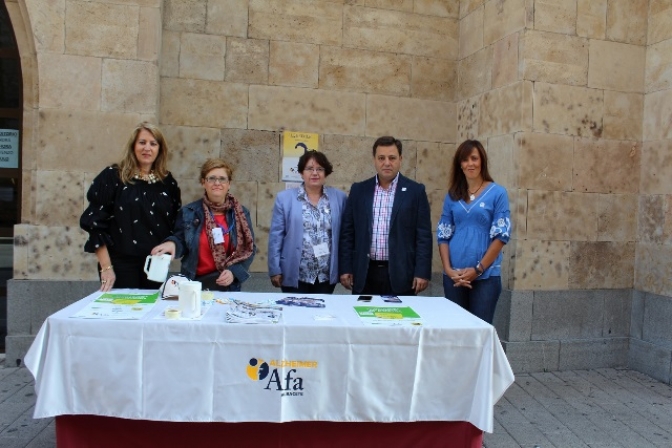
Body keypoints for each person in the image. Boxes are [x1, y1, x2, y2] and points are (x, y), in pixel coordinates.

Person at [80, 122, 182, 291]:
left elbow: (177, 222)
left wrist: (172, 244)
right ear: (133, 146)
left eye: (153, 143)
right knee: (123, 313)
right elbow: (95, 224)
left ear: (160, 149)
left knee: (151, 313)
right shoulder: (113, 176)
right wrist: (106, 268)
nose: (147, 148)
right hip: (120, 264)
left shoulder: (167, 182)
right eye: (142, 142)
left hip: (155, 263)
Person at [339, 136, 432, 296]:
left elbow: (423, 236)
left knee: (400, 320)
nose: (387, 163)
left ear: (400, 159)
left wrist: (422, 271)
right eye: (381, 158)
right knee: (364, 319)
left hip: (402, 274)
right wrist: (346, 267)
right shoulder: (359, 190)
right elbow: (348, 232)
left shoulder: (415, 192)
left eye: (392, 158)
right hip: (365, 273)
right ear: (374, 160)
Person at [152, 159, 256, 291]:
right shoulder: (189, 212)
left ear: (229, 184)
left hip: (228, 286)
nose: (217, 183)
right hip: (193, 285)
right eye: (211, 178)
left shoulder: (241, 213)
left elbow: (249, 249)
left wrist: (234, 272)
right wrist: (172, 244)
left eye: (222, 179)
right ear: (203, 183)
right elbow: (181, 240)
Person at [437, 139, 511, 324]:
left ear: (482, 161)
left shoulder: (498, 193)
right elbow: (443, 235)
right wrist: (447, 269)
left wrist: (478, 269)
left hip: (485, 277)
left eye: (474, 158)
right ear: (460, 165)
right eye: (465, 159)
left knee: (479, 332)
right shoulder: (452, 195)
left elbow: (501, 236)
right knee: (455, 331)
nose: (470, 163)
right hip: (454, 277)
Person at [268, 151, 347, 294]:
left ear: (326, 173)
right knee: (295, 313)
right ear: (301, 172)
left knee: (322, 313)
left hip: (325, 273)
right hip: (295, 271)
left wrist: (346, 268)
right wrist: (275, 269)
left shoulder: (339, 198)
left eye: (320, 169)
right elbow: (276, 236)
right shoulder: (285, 199)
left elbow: (346, 235)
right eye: (310, 169)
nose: (315, 173)